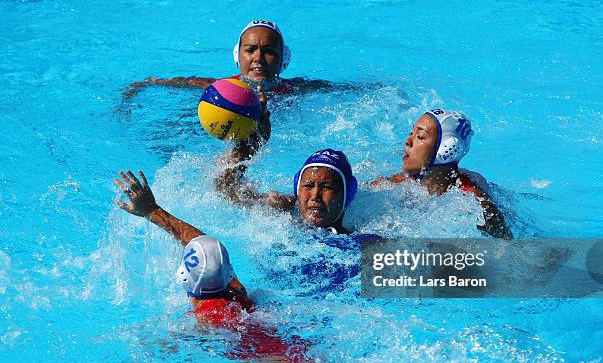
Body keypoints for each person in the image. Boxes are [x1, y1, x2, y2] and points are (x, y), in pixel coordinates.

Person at [114, 169, 314, 363]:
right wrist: (152, 211)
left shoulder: (203, 320)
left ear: (183, 277)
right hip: (298, 350)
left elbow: (163, 350)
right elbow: (205, 246)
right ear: (227, 273)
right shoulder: (235, 291)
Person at [372, 109, 513, 239]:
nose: (408, 141)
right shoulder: (400, 182)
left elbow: (507, 247)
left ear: (447, 149)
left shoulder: (473, 200)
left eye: (420, 136)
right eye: (411, 133)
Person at [124, 20, 338, 99]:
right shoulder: (218, 88)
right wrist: (143, 84)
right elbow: (175, 82)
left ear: (284, 59)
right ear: (238, 55)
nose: (258, 58)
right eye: (250, 50)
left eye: (269, 51)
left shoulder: (297, 90)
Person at [216, 148, 359, 235]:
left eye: (327, 187)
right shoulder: (284, 211)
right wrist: (246, 146)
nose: (315, 196)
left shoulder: (363, 238)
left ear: (347, 194)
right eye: (308, 186)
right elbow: (226, 186)